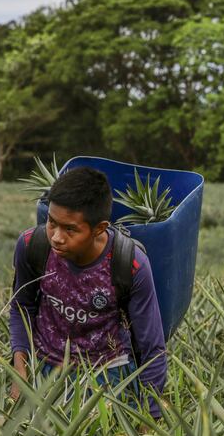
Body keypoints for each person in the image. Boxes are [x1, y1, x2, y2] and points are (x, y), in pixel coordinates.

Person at [9, 167, 167, 418]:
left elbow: (152, 347)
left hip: (107, 374)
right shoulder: (31, 245)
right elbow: (21, 307)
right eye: (52, 223)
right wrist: (19, 370)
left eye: (70, 229)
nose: (56, 237)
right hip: (44, 366)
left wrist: (151, 416)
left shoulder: (130, 264)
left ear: (99, 228)